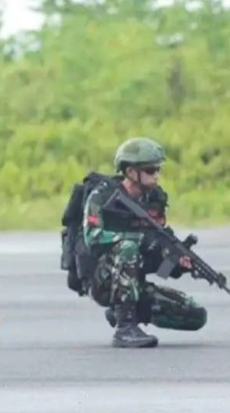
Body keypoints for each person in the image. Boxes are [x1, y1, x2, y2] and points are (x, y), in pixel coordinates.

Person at [84, 137, 207, 348]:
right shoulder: (103, 196)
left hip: (134, 282)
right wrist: (138, 240)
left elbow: (158, 258)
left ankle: (123, 309)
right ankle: (125, 328)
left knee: (195, 314)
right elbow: (92, 238)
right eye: (150, 170)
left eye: (158, 169)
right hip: (103, 279)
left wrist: (175, 262)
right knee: (128, 247)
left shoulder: (154, 199)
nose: (156, 175)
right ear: (131, 172)